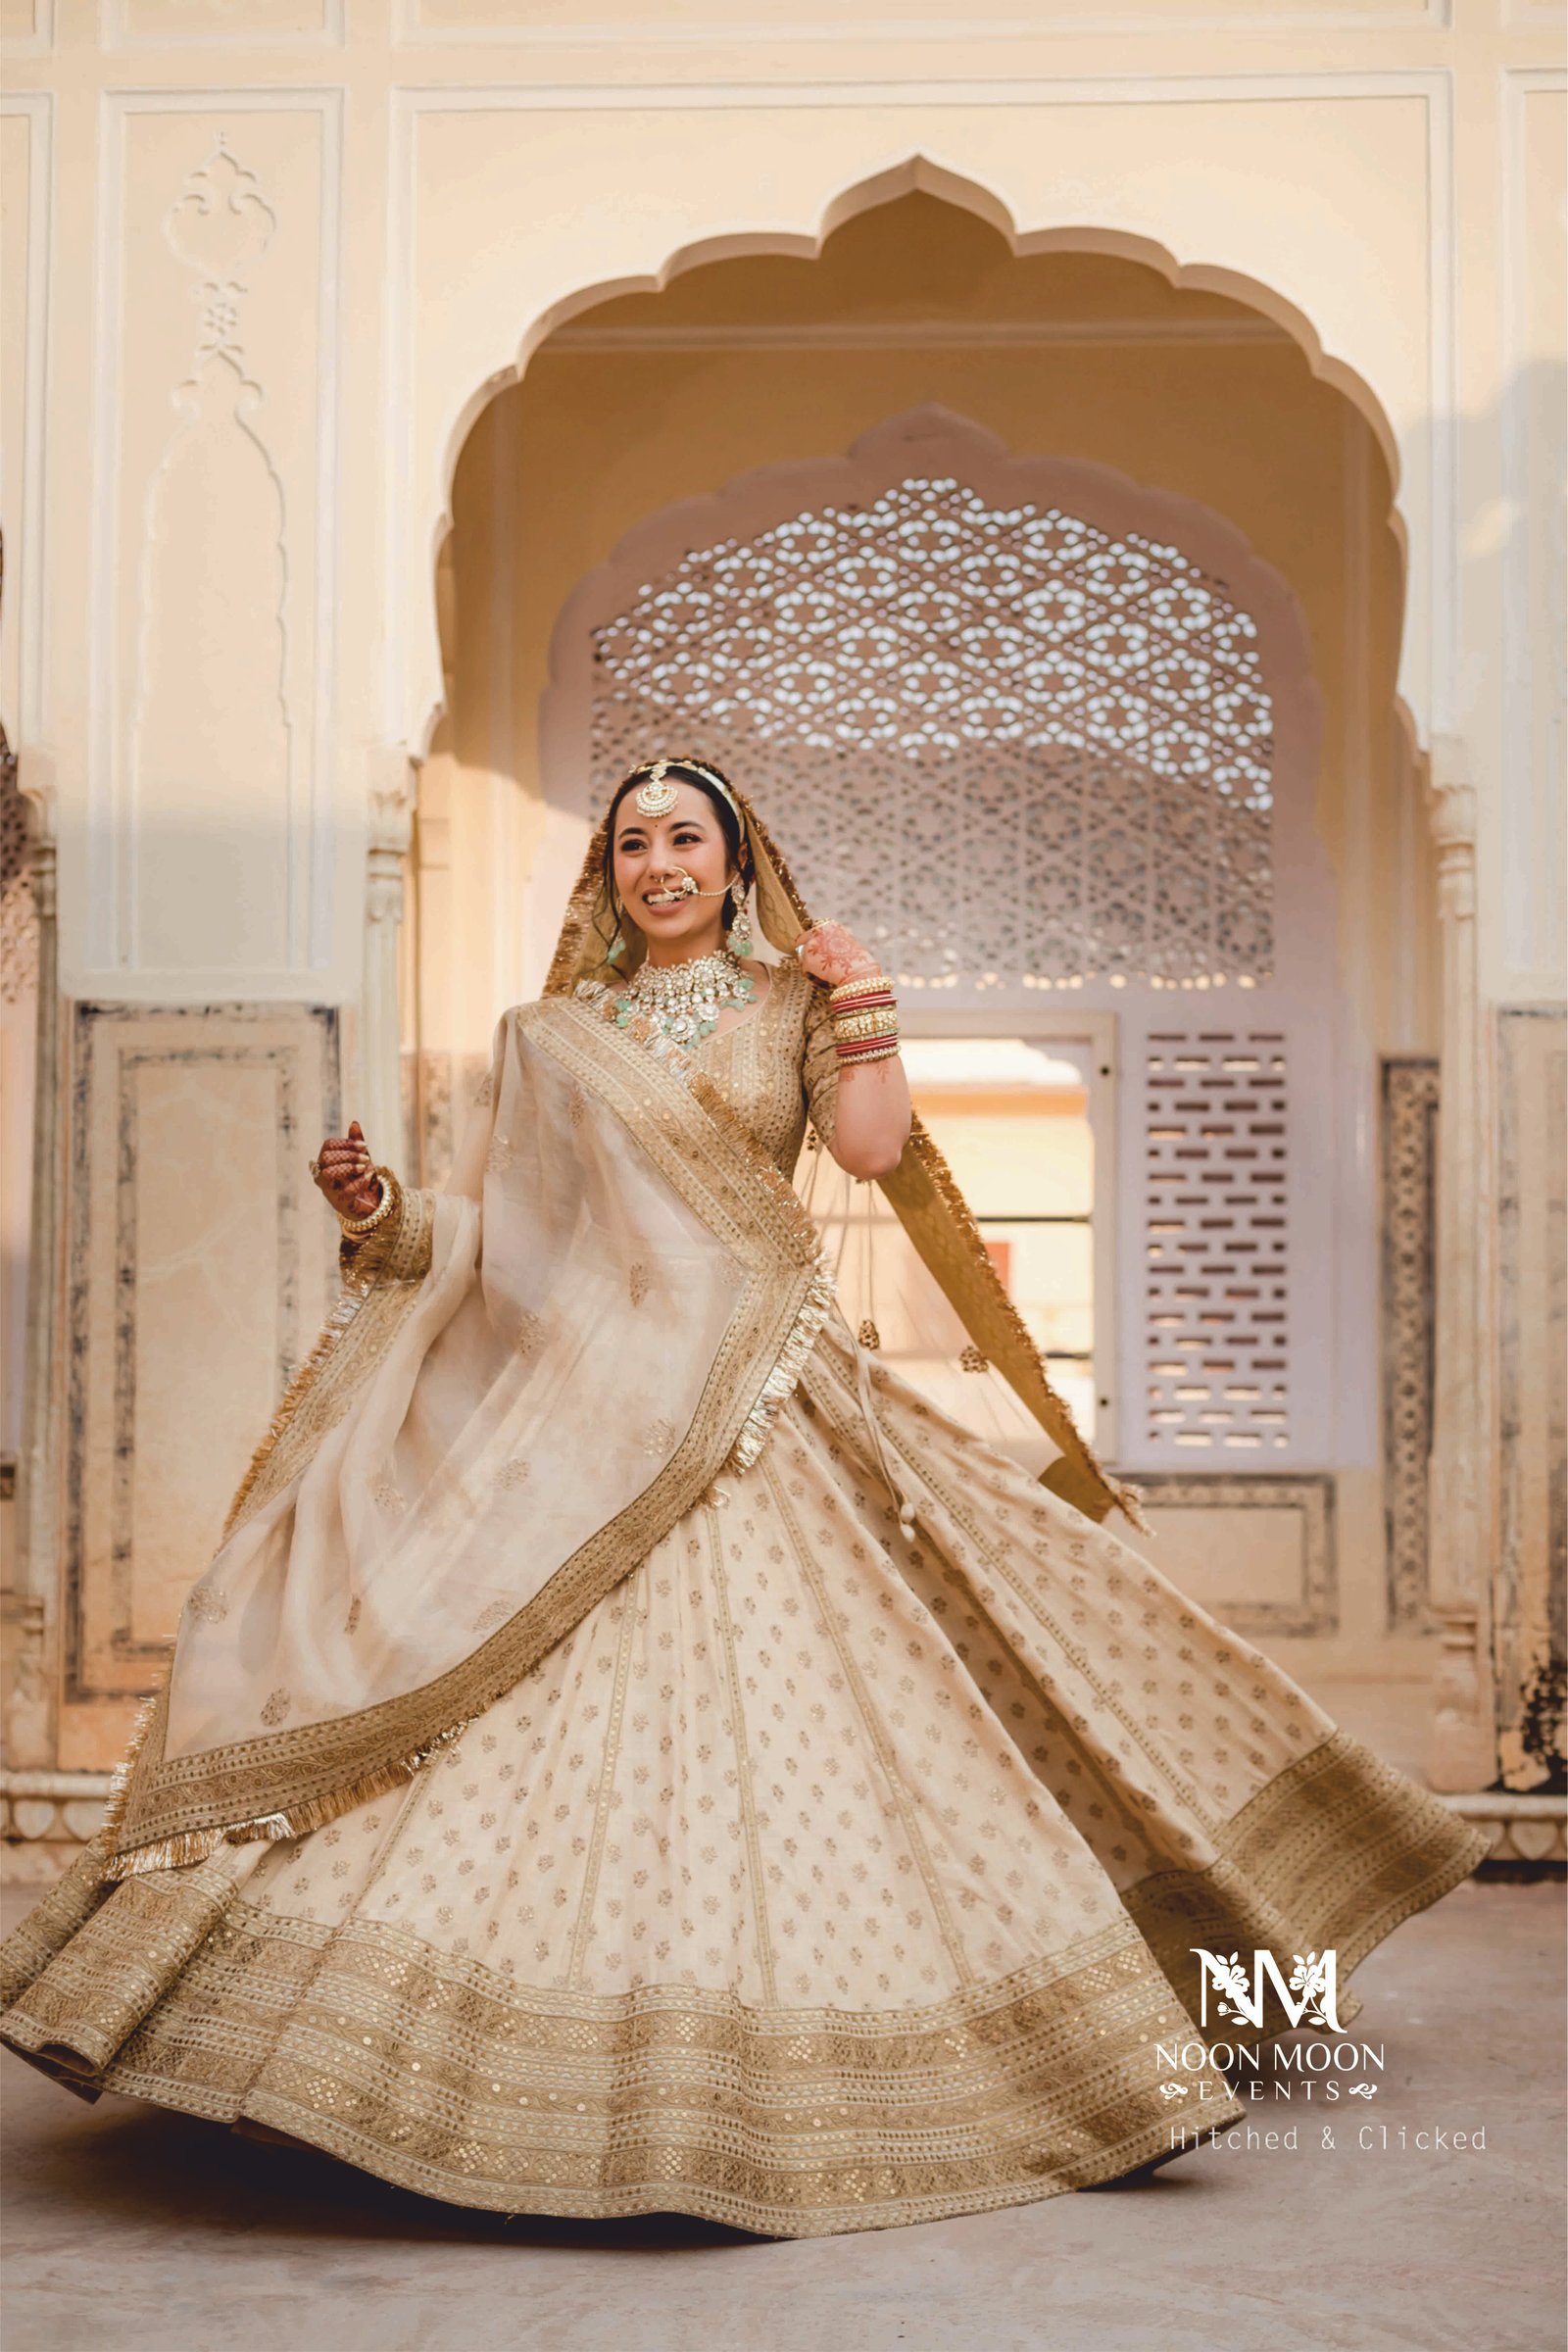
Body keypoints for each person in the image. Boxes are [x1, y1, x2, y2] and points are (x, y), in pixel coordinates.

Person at [0, 757, 1491, 2239]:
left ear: (736, 863)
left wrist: (866, 1011)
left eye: (687, 840)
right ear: (609, 875)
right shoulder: (554, 1036)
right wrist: (388, 1215)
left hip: (763, 1409)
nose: (660, 863)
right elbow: (519, 1244)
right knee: (461, 1702)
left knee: (928, 1692)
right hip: (583, 1432)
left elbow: (870, 1150)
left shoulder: (794, 1008)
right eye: (634, 841)